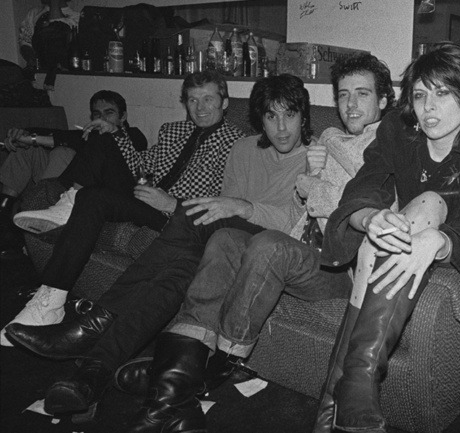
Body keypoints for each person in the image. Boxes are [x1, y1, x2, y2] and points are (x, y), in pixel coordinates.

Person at [105, 53, 395, 432]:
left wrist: (313, 182)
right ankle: (169, 396)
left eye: (362, 94)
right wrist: (313, 178)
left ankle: (192, 379)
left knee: (266, 245)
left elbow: (354, 207)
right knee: (225, 237)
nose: (351, 105)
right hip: (304, 246)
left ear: (385, 101)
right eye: (343, 95)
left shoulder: (392, 143)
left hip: (340, 266)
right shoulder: (328, 139)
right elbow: (302, 214)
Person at [4, 74, 313, 425]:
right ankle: (90, 375)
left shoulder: (315, 159)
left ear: (304, 116)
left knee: (189, 222)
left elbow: (296, 223)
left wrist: (240, 207)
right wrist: (226, 210)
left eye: (290, 114)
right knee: (173, 277)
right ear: (260, 118)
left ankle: (93, 329)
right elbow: (219, 210)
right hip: (223, 243)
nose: (282, 127)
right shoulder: (245, 150)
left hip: (266, 246)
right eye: (271, 116)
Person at [317, 42, 460, 433]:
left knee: (431, 202)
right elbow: (366, 183)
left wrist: (439, 241)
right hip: (393, 240)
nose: (429, 108)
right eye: (420, 95)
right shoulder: (396, 130)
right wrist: (369, 217)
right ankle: (354, 389)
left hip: (438, 247)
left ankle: (348, 389)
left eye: (443, 93)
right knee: (385, 230)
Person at [1, 70, 244, 346]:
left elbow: (224, 202)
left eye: (208, 99)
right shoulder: (173, 130)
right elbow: (142, 164)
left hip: (175, 216)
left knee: (96, 198)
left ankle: (68, 210)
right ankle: (50, 302)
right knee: (102, 138)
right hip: (142, 198)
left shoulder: (238, 144)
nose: (200, 108)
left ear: (224, 103)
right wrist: (117, 133)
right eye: (192, 100)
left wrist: (171, 203)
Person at [0, 90, 147, 259]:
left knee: (62, 152)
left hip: (93, 188)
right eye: (97, 114)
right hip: (66, 177)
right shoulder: (90, 133)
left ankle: (44, 207)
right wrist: (25, 135)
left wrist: (34, 138)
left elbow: (72, 138)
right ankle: (4, 215)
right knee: (25, 151)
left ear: (123, 117)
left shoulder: (135, 136)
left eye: (109, 113)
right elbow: (67, 135)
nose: (102, 119)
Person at [19, 0, 80, 88]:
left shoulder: (76, 17)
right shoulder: (34, 13)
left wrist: (54, 3)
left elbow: (56, 28)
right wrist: (32, 60)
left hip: (64, 76)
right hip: (39, 73)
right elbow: (25, 42)